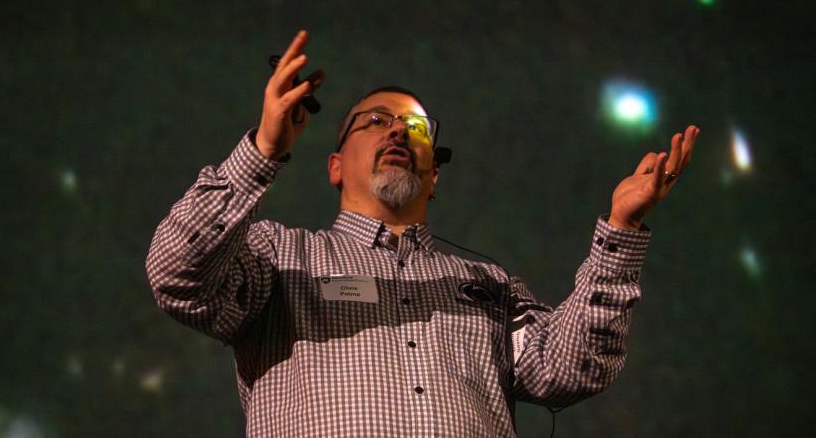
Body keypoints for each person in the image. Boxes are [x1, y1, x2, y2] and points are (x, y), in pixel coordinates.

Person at [145, 30, 700, 437]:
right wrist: (264, 151)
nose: (397, 132)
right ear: (335, 165)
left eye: (415, 127)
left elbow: (567, 369)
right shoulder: (279, 257)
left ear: (434, 175)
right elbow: (175, 273)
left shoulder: (488, 284)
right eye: (375, 120)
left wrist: (621, 230)